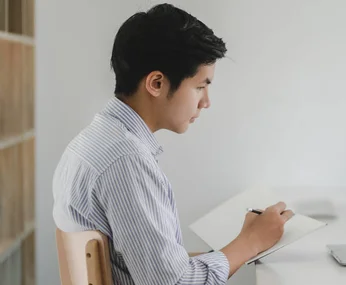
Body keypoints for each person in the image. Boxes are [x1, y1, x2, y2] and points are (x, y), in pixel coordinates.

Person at [52, 3, 293, 285]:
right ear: (156, 83)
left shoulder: (92, 143)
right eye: (200, 86)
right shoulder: (125, 161)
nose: (206, 102)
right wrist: (250, 242)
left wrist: (240, 246)